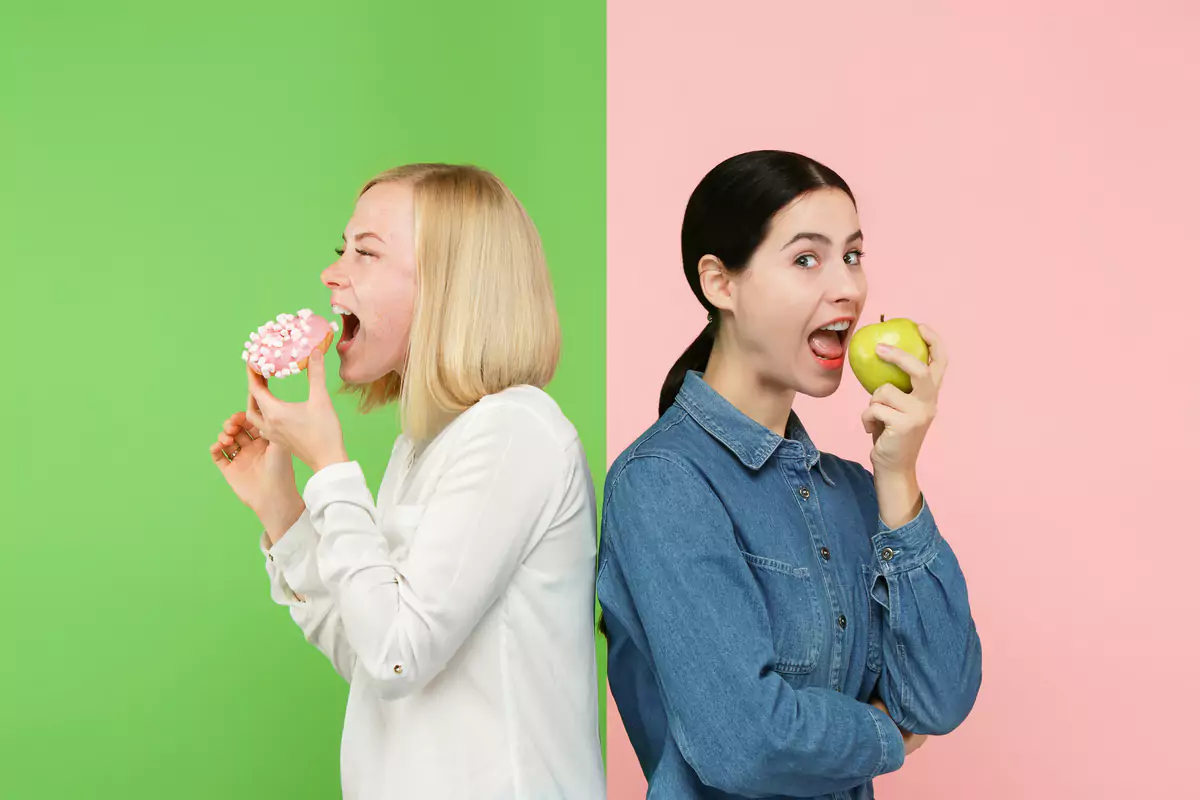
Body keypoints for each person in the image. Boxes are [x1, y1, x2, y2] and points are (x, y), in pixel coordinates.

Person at [208, 163, 606, 799]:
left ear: (453, 287)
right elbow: (371, 655)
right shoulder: (420, 448)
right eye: (342, 250)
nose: (332, 273)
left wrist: (331, 465)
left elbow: (398, 653)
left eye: (366, 253)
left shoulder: (516, 432)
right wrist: (282, 510)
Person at [597, 150, 982, 799]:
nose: (849, 289)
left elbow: (942, 697)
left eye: (852, 256)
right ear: (721, 283)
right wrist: (886, 732)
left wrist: (898, 477)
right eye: (807, 259)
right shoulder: (662, 483)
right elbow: (743, 743)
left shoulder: (856, 492)